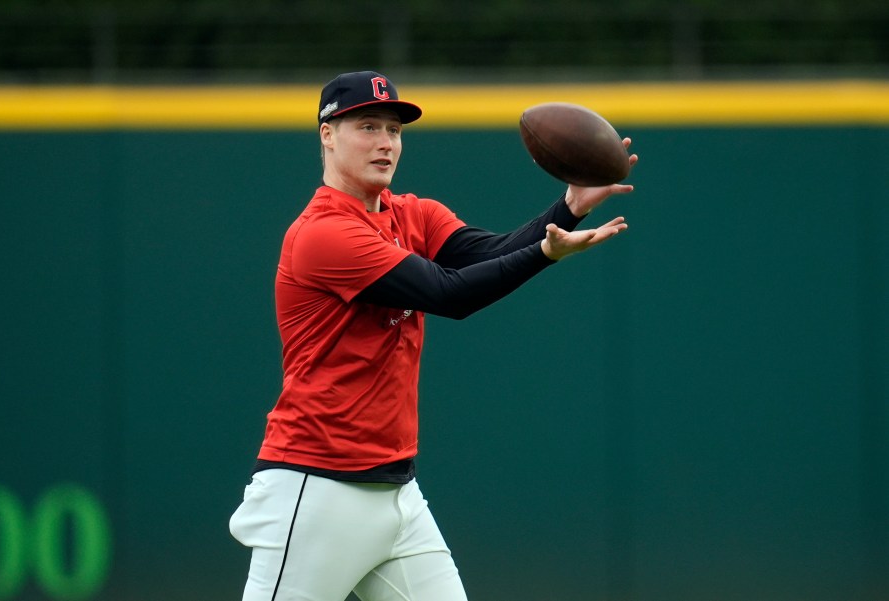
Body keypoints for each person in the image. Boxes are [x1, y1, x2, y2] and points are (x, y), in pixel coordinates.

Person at [229, 70, 638, 601]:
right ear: (327, 134)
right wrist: (545, 253)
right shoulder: (324, 233)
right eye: (367, 127)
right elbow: (451, 293)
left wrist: (569, 207)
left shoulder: (412, 213)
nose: (385, 142)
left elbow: (488, 254)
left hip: (396, 495)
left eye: (393, 130)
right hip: (317, 490)